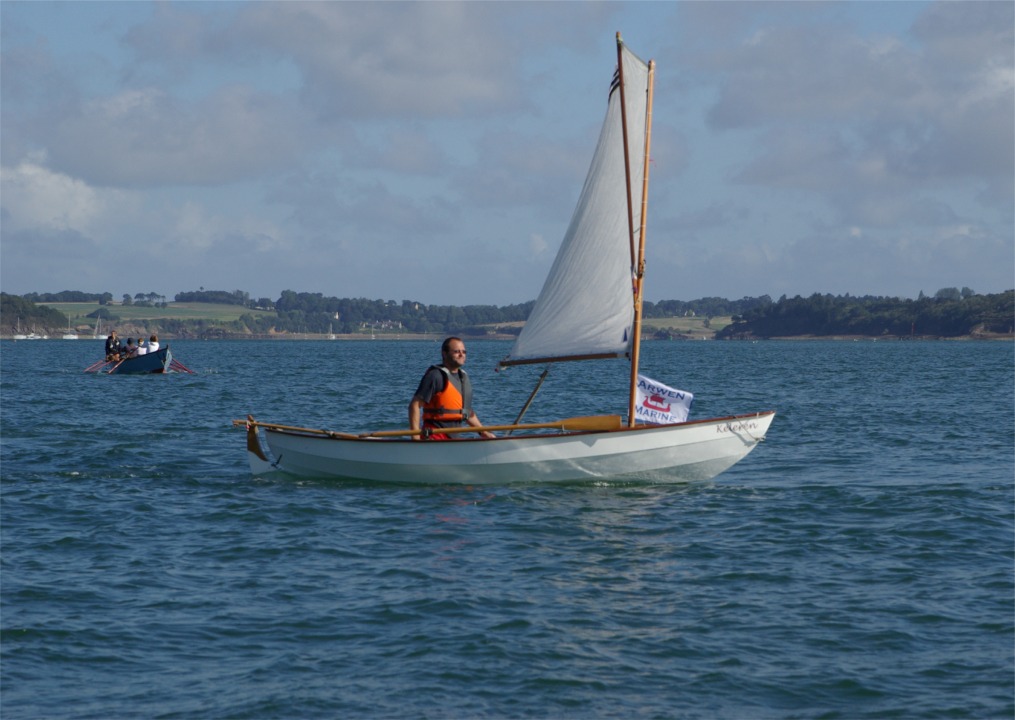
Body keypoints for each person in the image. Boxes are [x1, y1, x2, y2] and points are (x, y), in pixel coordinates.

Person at [408, 337, 495, 440]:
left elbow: (467, 413)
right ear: (444, 354)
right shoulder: (435, 376)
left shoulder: (463, 377)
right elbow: (415, 405)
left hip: (453, 438)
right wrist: (416, 437)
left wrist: (484, 433)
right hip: (434, 436)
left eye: (464, 352)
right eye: (456, 352)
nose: (461, 354)